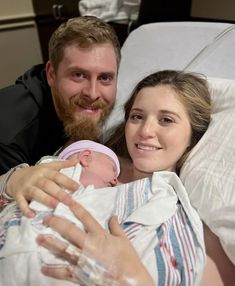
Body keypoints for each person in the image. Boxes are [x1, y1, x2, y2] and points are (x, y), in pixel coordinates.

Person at [32, 70, 213, 285]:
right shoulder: (88, 160)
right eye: (137, 117)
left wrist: (134, 279)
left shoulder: (195, 223)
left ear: (193, 135)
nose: (145, 130)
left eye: (166, 120)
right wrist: (12, 181)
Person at [0, 15, 120, 216]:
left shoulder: (73, 107)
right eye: (78, 75)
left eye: (105, 78)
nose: (92, 93)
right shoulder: (10, 134)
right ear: (51, 74)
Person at [0, 140, 121, 285]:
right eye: (113, 169)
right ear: (86, 157)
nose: (115, 180)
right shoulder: (68, 172)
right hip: (44, 248)